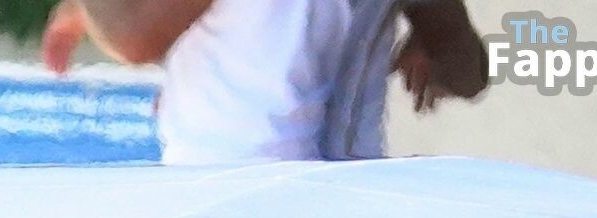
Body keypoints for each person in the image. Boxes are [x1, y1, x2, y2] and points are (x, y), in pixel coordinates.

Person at [41, 0, 487, 164]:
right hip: (344, 199)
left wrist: (80, 10)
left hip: (231, 191)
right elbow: (470, 72)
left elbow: (132, 34)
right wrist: (428, 49)